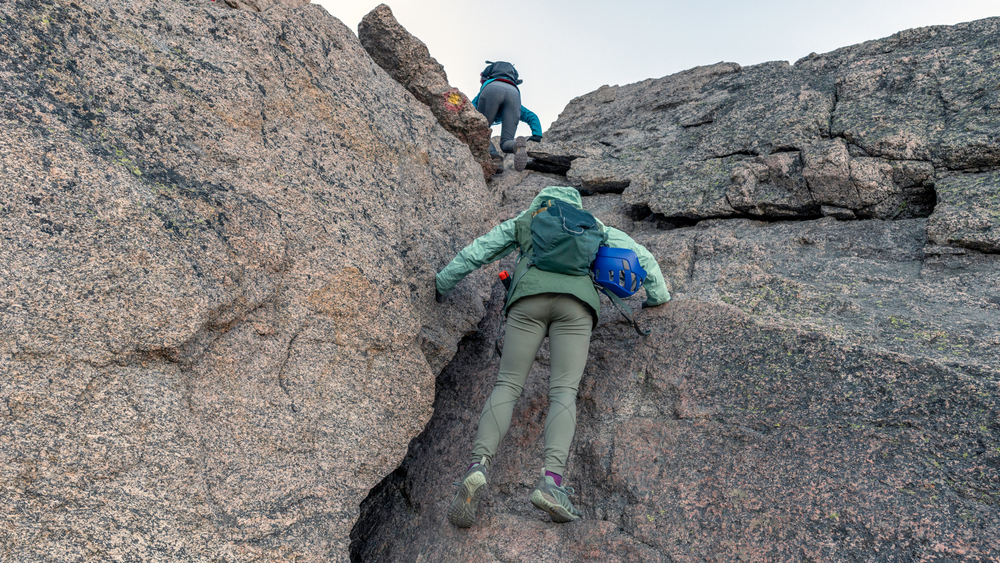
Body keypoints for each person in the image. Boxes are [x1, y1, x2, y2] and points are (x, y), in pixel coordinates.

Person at [435, 186, 671, 527]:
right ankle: (551, 483)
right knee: (563, 392)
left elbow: (478, 251)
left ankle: (478, 467)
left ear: (541, 201)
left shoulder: (528, 220)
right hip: (576, 307)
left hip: (528, 301)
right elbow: (643, 258)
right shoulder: (595, 225)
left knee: (507, 385)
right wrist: (657, 297)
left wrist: (443, 282)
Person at [471, 61, 543, 174]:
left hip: (491, 90)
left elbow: (468, 111)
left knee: (479, 134)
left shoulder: (487, 86)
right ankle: (516, 146)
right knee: (506, 143)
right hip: (514, 94)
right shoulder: (512, 87)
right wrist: (537, 134)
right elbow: (531, 116)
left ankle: (495, 158)